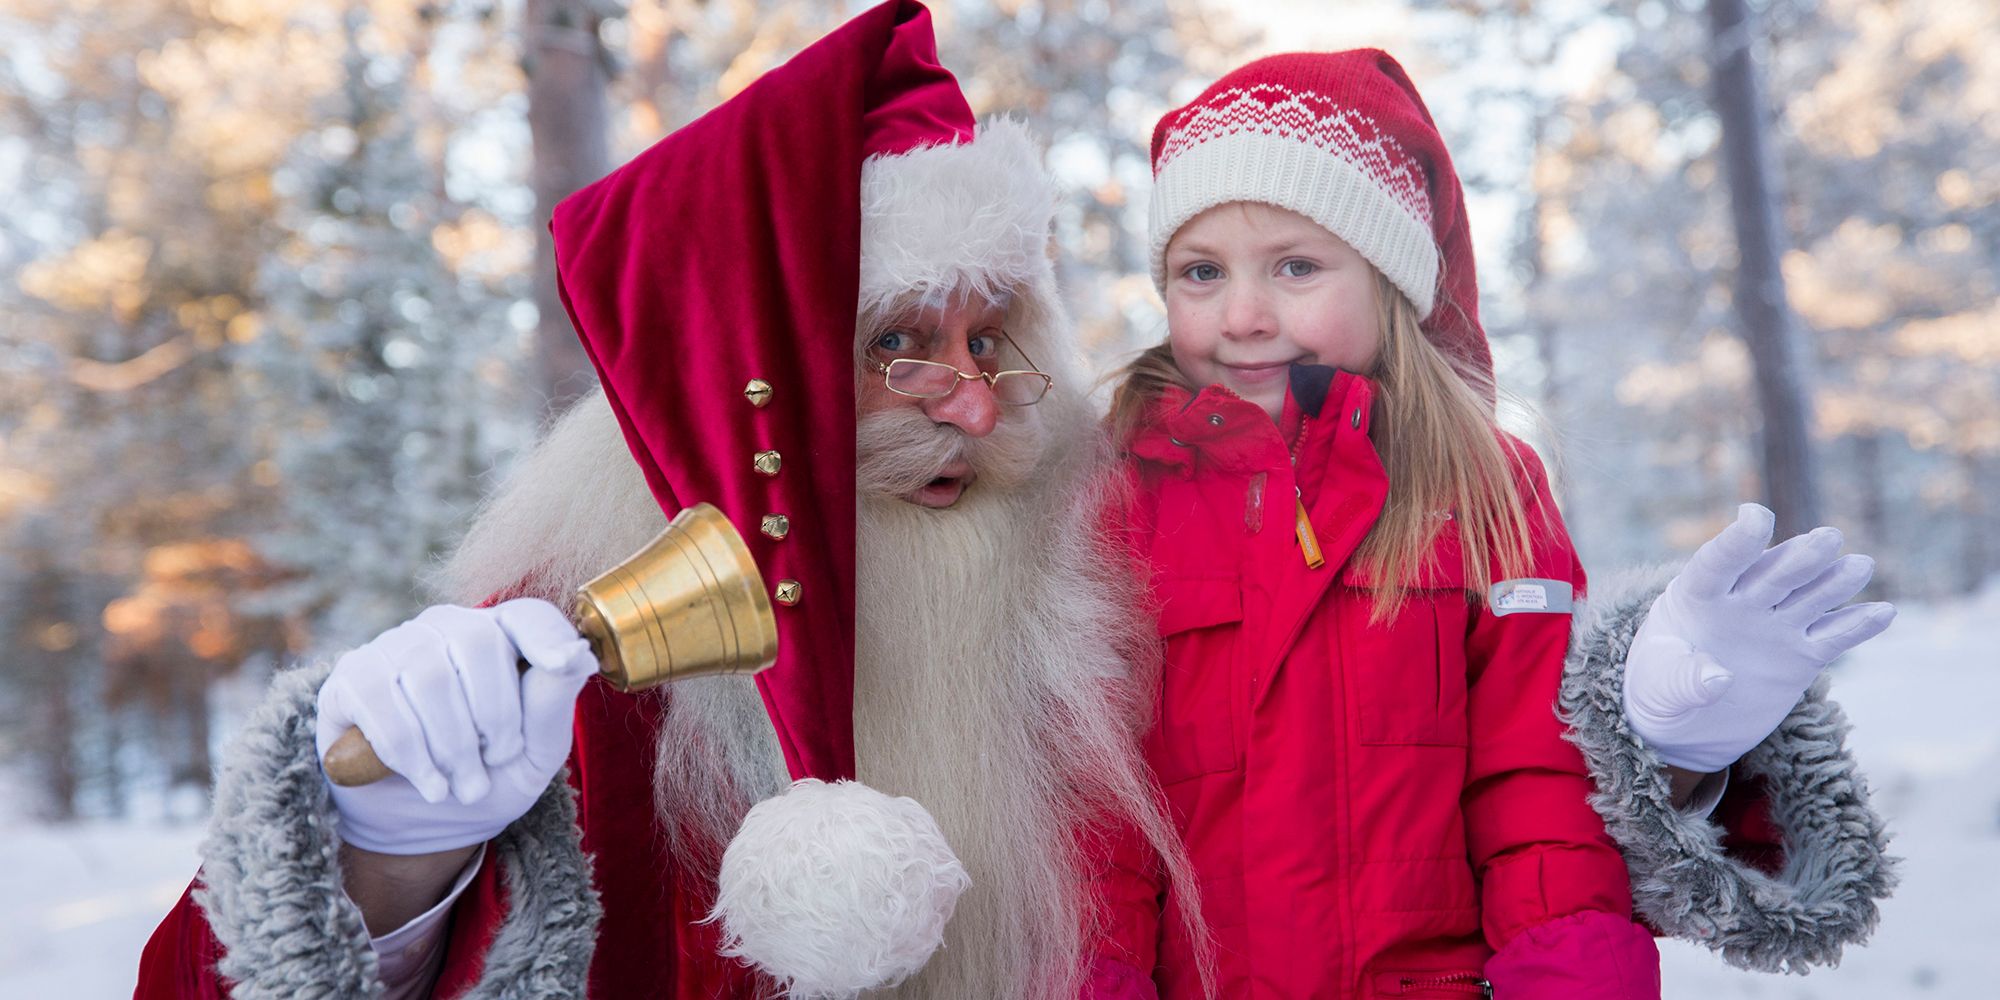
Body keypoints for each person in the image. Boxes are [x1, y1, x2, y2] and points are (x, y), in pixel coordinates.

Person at [1100, 49, 1897, 998]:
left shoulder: (1483, 494)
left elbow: (1538, 790)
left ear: (1390, 281)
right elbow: (1093, 819)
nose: (1241, 313)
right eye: (1200, 272)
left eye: (1296, 266)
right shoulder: (1116, 501)